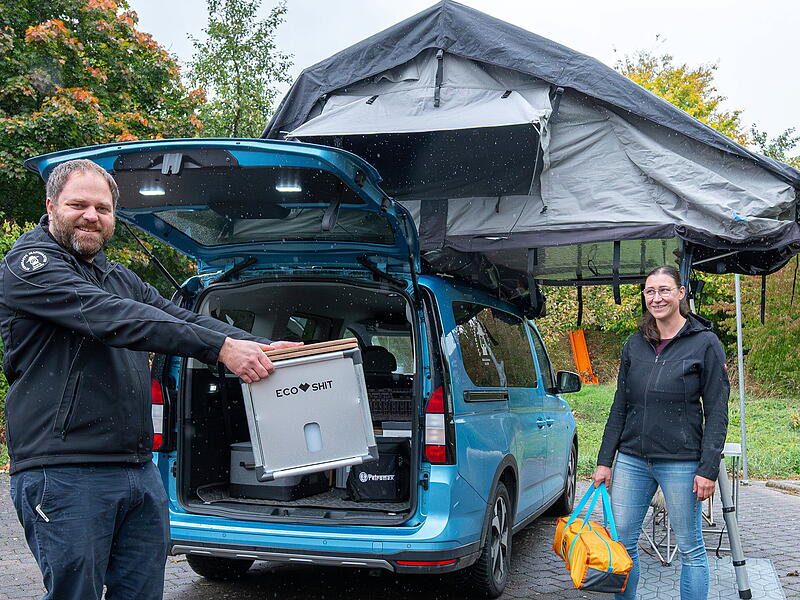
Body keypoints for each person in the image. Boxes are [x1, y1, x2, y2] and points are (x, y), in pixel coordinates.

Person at [0, 159, 301, 600]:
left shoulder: (118, 276)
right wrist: (221, 351)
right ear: (51, 206)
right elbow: (113, 317)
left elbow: (173, 315)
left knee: (141, 592)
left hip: (136, 468)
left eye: (102, 208)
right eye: (78, 205)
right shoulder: (30, 267)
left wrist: (255, 344)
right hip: (62, 469)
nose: (91, 216)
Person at [593, 265, 729, 600]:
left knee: (690, 549)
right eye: (650, 291)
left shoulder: (705, 343)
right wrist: (604, 461)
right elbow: (620, 406)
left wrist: (708, 469)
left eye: (665, 290)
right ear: (644, 296)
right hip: (632, 460)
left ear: (681, 294)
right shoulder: (635, 344)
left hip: (681, 462)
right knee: (622, 544)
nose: (657, 298)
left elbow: (717, 411)